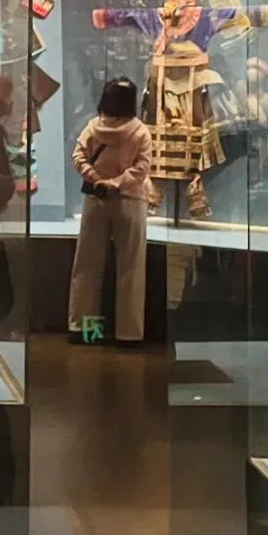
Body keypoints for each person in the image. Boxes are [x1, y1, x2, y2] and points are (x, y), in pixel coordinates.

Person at [68, 75, 153, 344]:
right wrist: (117, 183)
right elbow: (142, 167)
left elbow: (78, 157)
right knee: (131, 268)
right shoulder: (140, 131)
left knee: (87, 265)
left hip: (96, 199)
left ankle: (83, 329)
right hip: (130, 201)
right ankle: (128, 333)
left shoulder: (93, 127)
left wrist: (97, 179)